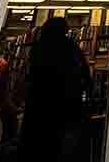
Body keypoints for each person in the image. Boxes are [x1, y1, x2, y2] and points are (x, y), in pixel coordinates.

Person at [18, 17, 91, 162]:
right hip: (66, 106)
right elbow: (85, 75)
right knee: (59, 147)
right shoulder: (72, 48)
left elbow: (32, 75)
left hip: (40, 104)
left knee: (38, 146)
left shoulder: (38, 47)